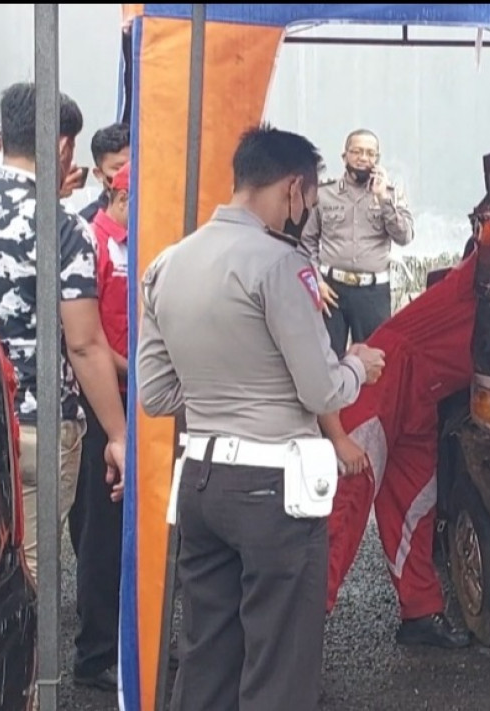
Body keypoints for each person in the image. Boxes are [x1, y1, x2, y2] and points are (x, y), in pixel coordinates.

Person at [137, 124, 386, 711]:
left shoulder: (166, 264)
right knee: (279, 664)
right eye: (309, 198)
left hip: (200, 478)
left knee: (205, 657)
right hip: (274, 488)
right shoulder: (281, 265)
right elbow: (320, 386)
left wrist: (217, 390)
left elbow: (155, 394)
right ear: (294, 188)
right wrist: (356, 365)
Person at [325, 233, 490, 647]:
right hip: (385, 382)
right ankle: (296, 633)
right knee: (346, 508)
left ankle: (419, 615)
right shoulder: (483, 274)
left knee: (415, 509)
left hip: (423, 398)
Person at [0, 82, 127, 586]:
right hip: (33, 426)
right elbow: (84, 342)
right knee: (20, 587)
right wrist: (117, 434)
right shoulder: (62, 228)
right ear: (63, 147)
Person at [67, 161, 131, 691]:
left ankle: (131, 637)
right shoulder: (92, 241)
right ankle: (96, 652)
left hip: (139, 392)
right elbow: (85, 335)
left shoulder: (136, 243)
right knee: (102, 527)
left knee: (140, 522)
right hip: (102, 398)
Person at [302, 129, 415, 356]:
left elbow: (404, 237)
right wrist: (316, 283)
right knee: (327, 359)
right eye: (357, 151)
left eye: (370, 153)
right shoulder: (325, 193)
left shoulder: (390, 195)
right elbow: (306, 243)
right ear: (344, 157)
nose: (364, 158)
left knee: (375, 360)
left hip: (372, 293)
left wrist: (383, 199)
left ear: (377, 160)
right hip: (331, 289)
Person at [79, 122, 130, 223]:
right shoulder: (87, 224)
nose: (127, 173)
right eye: (118, 168)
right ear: (99, 174)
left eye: (133, 166)